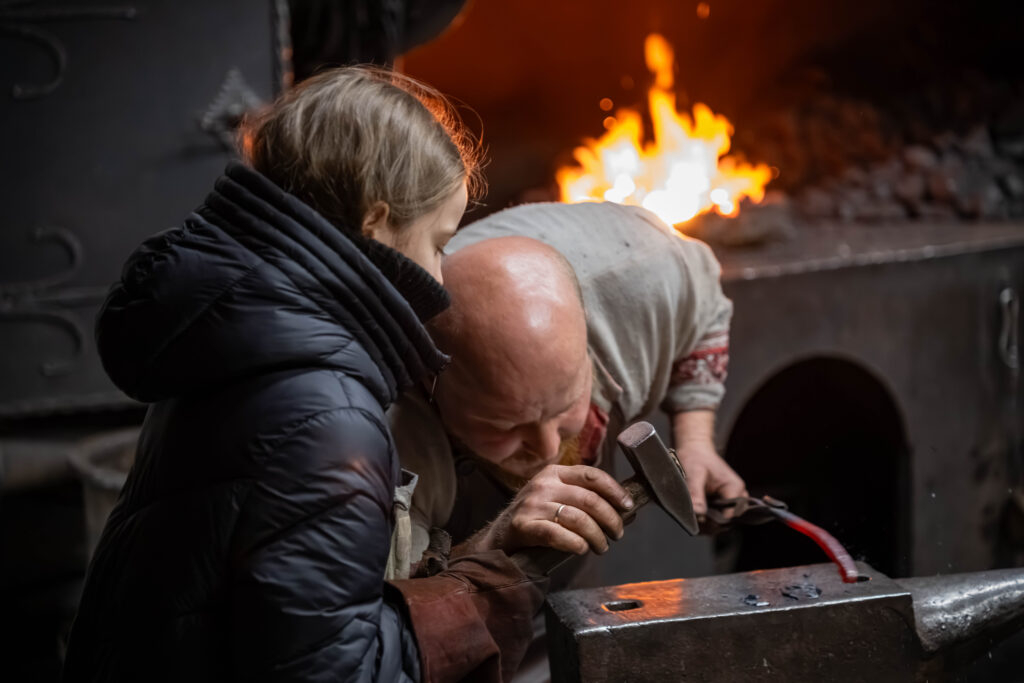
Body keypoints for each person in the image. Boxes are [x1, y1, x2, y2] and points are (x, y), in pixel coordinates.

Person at [62, 66, 545, 683]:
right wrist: (469, 597)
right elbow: (327, 672)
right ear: (376, 223)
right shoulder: (324, 416)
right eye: (437, 242)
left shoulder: (238, 338)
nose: (439, 278)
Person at [389, 200, 747, 568]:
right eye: (506, 426)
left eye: (566, 405)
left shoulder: (647, 270)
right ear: (432, 379)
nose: (547, 449)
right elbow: (389, 598)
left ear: (584, 326)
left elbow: (707, 314)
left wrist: (695, 442)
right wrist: (491, 542)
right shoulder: (386, 432)